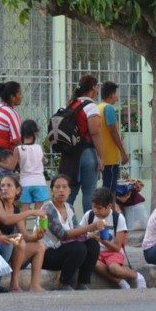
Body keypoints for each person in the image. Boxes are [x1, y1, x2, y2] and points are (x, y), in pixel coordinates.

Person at [41, 175, 102, 290]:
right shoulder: (48, 209)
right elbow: (63, 235)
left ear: (69, 191)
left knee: (93, 244)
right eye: (57, 187)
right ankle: (64, 283)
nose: (61, 190)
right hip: (48, 253)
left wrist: (90, 234)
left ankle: (82, 282)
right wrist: (90, 227)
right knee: (78, 248)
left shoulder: (69, 208)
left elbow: (76, 228)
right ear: (51, 190)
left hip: (63, 250)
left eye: (64, 187)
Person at [80, 188, 146, 289]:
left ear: (109, 206)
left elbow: (117, 248)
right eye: (93, 207)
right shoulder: (89, 215)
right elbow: (80, 233)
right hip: (96, 252)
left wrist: (101, 240)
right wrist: (88, 234)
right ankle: (121, 283)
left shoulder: (118, 218)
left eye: (99, 208)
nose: (95, 211)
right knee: (93, 263)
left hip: (112, 252)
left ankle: (137, 276)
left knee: (114, 269)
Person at [0, 174, 46, 292]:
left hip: (10, 248)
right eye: (2, 185)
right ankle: (14, 283)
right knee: (19, 242)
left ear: (17, 190)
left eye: (8, 185)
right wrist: (31, 212)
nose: (4, 188)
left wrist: (36, 236)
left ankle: (35, 285)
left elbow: (25, 235)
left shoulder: (16, 209)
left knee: (39, 245)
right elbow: (5, 219)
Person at [64, 75, 104, 213]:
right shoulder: (91, 106)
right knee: (89, 193)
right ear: (93, 87)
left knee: (70, 192)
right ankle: (89, 226)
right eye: (97, 86)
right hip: (86, 153)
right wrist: (100, 156)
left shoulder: (71, 104)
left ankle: (65, 224)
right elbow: (94, 132)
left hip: (70, 155)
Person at [97, 82, 129, 194]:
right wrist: (123, 152)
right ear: (111, 94)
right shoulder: (109, 108)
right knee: (110, 191)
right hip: (110, 157)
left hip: (102, 155)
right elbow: (113, 132)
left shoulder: (98, 108)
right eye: (116, 94)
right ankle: (109, 210)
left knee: (106, 187)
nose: (117, 97)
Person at [14, 119, 49, 210]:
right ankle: (38, 225)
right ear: (35, 133)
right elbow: (44, 162)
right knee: (39, 212)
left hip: (25, 183)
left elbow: (11, 166)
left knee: (24, 212)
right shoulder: (39, 148)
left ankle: (23, 225)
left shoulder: (18, 149)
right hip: (40, 182)